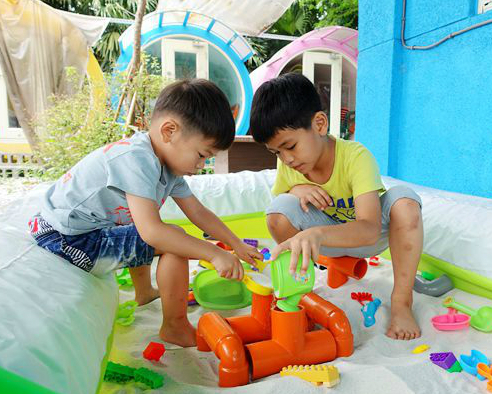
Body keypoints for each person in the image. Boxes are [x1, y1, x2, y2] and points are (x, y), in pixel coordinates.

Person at [29, 79, 263, 347]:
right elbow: (151, 232)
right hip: (67, 239)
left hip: (71, 229)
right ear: (169, 131)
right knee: (172, 239)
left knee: (149, 227)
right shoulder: (137, 160)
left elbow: (198, 211)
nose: (200, 166)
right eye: (201, 155)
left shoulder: (165, 164)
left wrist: (236, 244)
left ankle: (144, 293)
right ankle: (174, 326)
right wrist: (213, 253)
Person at [249, 73, 423, 340]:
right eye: (277, 153)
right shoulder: (289, 164)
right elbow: (282, 207)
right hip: (325, 246)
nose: (286, 159)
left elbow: (369, 229)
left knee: (406, 202)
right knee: (277, 211)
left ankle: (401, 303)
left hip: (368, 237)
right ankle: (301, 292)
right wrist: (297, 189)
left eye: (290, 146)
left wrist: (317, 234)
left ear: (319, 124)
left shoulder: (355, 156)